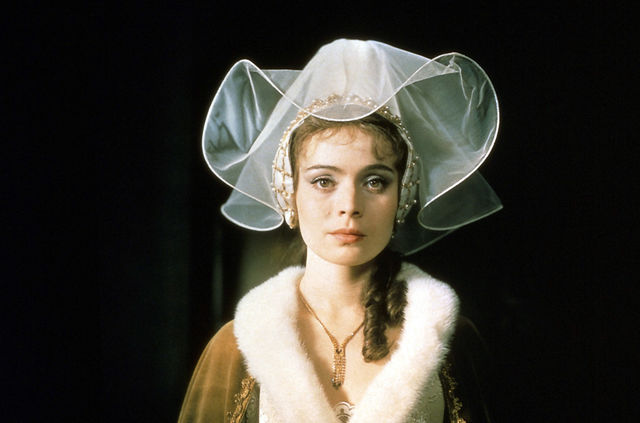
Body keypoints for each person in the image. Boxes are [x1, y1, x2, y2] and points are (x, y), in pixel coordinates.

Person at [179, 39, 501, 423]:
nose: (349, 205)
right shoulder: (236, 347)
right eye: (323, 181)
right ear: (289, 191)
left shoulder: (449, 341)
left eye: (375, 182)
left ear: (401, 195)